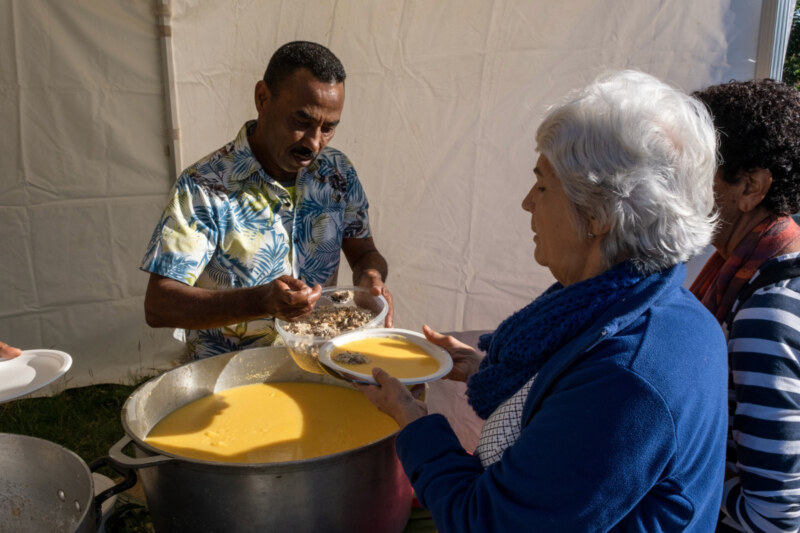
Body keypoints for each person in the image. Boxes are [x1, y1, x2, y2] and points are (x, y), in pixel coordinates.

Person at [357, 70, 729, 531]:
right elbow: (568, 416)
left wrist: (411, 417)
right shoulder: (655, 309)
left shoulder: (628, 378)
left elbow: (487, 521)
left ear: (596, 216)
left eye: (543, 185)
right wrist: (479, 368)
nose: (527, 202)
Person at [140, 41, 392, 359]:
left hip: (316, 367)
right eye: (301, 121)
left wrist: (370, 278)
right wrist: (261, 302)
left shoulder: (337, 173)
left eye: (328, 128)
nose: (315, 143)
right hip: (227, 379)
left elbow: (365, 251)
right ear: (263, 98)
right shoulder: (206, 186)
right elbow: (160, 306)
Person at [690, 79, 800, 532]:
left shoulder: (764, 312)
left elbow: (774, 516)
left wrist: (665, 468)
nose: (669, 182)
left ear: (750, 186)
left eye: (691, 167)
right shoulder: (747, 269)